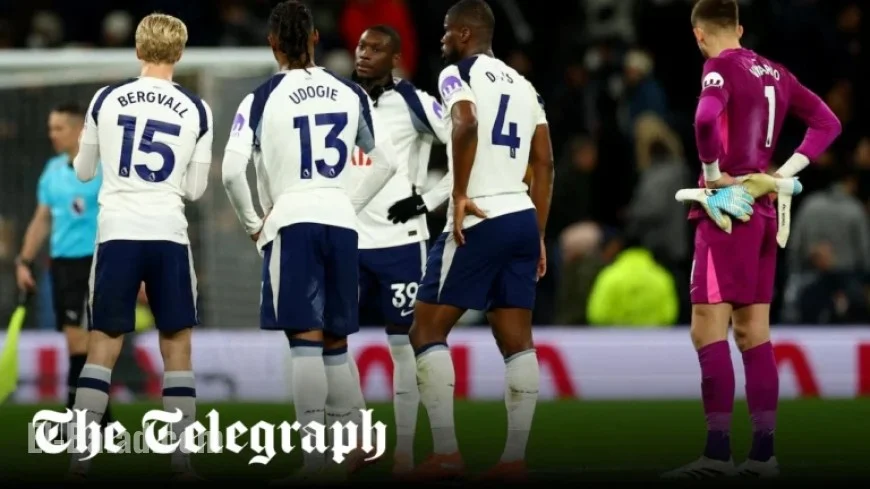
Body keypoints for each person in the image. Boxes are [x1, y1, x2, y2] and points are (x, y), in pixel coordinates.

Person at [220, 0, 397, 480]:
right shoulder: (349, 92)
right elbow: (385, 162)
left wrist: (254, 224)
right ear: (316, 38)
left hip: (293, 219)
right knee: (335, 340)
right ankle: (357, 443)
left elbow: (232, 172)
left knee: (304, 339)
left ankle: (316, 461)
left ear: (272, 43)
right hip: (339, 220)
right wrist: (345, 203)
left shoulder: (261, 98)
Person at [664, 0, 841, 479]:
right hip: (762, 210)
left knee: (707, 328)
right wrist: (781, 177)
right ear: (739, 28)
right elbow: (828, 123)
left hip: (727, 211)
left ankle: (717, 455)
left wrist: (711, 177)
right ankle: (763, 456)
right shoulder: (776, 72)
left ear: (698, 34)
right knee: (753, 333)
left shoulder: (718, 68)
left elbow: (705, 120)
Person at [407, 0, 553, 480]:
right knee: (516, 340)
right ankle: (514, 459)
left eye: (447, 31)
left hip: (481, 214)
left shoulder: (456, 75)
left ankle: (446, 452)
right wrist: (539, 231)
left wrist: (460, 193)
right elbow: (545, 163)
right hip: (521, 216)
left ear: (466, 34)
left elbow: (465, 121)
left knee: (425, 330)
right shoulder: (525, 85)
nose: (442, 39)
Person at [67, 13, 213, 480]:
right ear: (180, 53)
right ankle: (182, 461)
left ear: (137, 49)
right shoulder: (196, 108)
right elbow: (195, 190)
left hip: (117, 232)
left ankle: (79, 460)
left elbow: (83, 172)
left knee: (103, 345)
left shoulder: (105, 99)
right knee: (177, 345)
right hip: (167, 232)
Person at [350, 24, 450, 474]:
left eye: (376, 49)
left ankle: (404, 453)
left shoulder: (416, 101)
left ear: (395, 59)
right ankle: (352, 439)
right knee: (331, 341)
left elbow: (465, 145)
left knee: (403, 346)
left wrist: (428, 201)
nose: (364, 54)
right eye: (361, 46)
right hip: (348, 238)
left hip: (400, 243)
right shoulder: (341, 98)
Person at [14, 103, 113, 428]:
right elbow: (42, 218)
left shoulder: (104, 168)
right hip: (62, 266)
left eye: (59, 128)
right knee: (79, 343)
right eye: (50, 128)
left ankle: (79, 419)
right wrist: (24, 261)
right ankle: (98, 420)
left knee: (83, 342)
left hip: (96, 262)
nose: (52, 134)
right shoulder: (52, 170)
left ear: (79, 130)